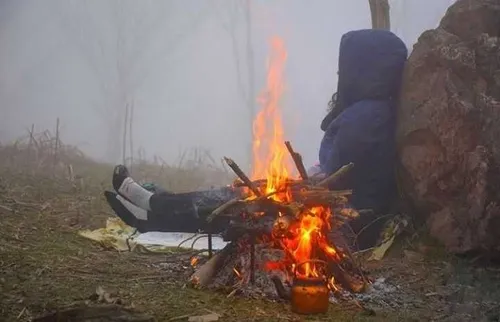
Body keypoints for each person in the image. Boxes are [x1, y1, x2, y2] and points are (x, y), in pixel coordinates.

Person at [105, 29, 408, 250]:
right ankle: (155, 204)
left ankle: (153, 216)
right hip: (330, 207)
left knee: (239, 207)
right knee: (238, 195)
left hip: (338, 223)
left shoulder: (368, 116)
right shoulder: (370, 110)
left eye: (349, 64)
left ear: (366, 68)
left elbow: (338, 168)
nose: (341, 71)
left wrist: (308, 181)